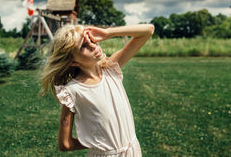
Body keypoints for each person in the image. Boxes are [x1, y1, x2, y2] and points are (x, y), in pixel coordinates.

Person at [41, 24, 154, 156]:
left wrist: (108, 33)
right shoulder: (72, 92)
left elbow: (148, 30)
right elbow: (65, 144)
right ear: (73, 62)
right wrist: (98, 143)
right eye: (83, 45)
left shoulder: (110, 69)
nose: (93, 46)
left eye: (91, 39)